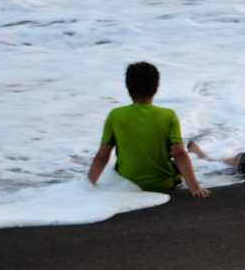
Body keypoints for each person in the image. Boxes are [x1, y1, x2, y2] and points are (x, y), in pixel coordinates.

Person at [87, 62, 208, 197]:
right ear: (156, 87)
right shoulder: (169, 115)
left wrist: (88, 187)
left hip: (127, 185)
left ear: (128, 88)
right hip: (164, 185)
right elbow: (179, 154)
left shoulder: (115, 116)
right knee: (176, 163)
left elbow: (102, 157)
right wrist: (195, 188)